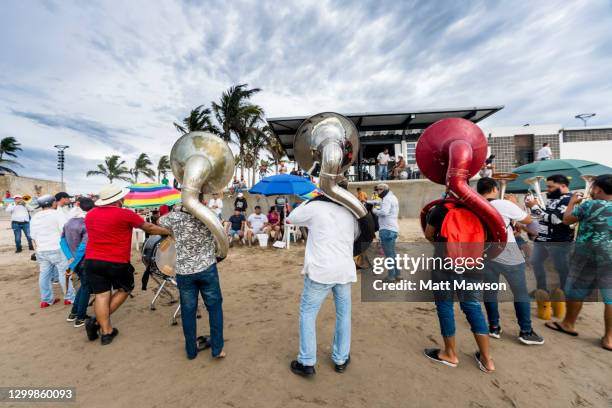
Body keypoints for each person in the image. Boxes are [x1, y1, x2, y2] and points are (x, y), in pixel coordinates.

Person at [84, 184, 170, 345]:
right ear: (118, 199)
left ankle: (106, 330)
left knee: (102, 295)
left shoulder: (90, 214)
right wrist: (169, 232)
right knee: (125, 289)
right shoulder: (125, 214)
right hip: (116, 261)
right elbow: (149, 228)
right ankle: (98, 324)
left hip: (92, 261)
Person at [286, 194, 359, 377]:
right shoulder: (350, 212)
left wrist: (309, 199)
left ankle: (307, 361)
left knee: (308, 314)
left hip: (321, 271)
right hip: (343, 269)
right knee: (344, 315)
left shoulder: (315, 207)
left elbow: (291, 217)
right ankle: (341, 358)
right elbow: (357, 235)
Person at [423, 202, 495, 372]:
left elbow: (428, 234)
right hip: (473, 264)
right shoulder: (480, 208)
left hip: (444, 264)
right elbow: (491, 237)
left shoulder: (440, 209)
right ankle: (487, 360)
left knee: (445, 306)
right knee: (473, 307)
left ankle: (450, 353)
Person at [546, 174, 612, 350]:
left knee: (577, 289)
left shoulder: (591, 205)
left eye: (593, 187)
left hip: (587, 255)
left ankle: (568, 324)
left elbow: (567, 220)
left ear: (597, 189)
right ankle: (609, 338)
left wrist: (572, 202)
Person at [477, 178, 544, 345]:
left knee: (490, 292)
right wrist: (515, 204)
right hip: (509, 253)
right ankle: (526, 331)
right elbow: (530, 220)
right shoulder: (503, 204)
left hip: (485, 253)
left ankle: (493, 327)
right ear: (494, 188)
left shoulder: (474, 205)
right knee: (520, 293)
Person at [159, 201, 225, 360]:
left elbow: (160, 221)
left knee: (188, 311)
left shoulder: (174, 216)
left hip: (184, 271)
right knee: (214, 308)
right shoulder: (209, 215)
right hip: (207, 268)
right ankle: (217, 350)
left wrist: (178, 210)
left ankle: (191, 351)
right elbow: (220, 232)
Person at [526, 174, 574, 293]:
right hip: (544, 239)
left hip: (559, 240)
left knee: (562, 268)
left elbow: (556, 220)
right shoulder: (553, 198)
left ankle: (564, 293)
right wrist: (536, 208)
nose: (548, 189)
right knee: (535, 261)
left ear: (563, 186)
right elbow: (545, 216)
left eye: (551, 187)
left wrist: (535, 207)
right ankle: (542, 290)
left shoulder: (569, 199)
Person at [30, 195, 75, 308]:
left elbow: (33, 236)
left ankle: (46, 300)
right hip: (57, 248)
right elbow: (65, 231)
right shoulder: (57, 214)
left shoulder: (35, 216)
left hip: (41, 249)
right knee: (63, 274)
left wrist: (37, 250)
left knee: (44, 275)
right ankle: (69, 298)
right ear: (53, 203)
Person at [61, 197, 95, 327]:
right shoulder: (86, 223)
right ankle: (80, 317)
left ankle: (74, 312)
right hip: (83, 261)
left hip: (74, 261)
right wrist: (73, 262)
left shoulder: (68, 222)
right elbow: (83, 247)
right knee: (86, 288)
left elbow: (62, 241)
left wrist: (69, 257)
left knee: (83, 286)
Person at [372, 184, 400, 282]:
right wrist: (369, 202)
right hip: (393, 229)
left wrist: (374, 210)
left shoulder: (387, 199)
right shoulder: (392, 197)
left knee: (389, 255)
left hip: (386, 229)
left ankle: (391, 277)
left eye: (378, 190)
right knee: (392, 253)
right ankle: (397, 274)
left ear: (383, 190)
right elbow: (379, 202)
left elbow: (384, 212)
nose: (378, 192)